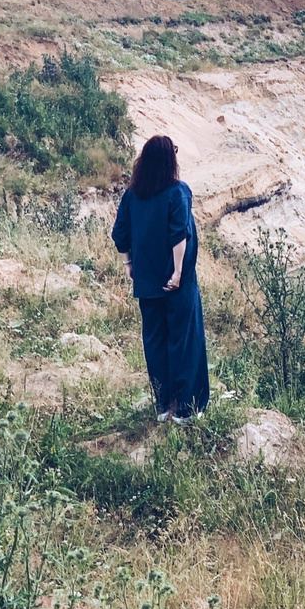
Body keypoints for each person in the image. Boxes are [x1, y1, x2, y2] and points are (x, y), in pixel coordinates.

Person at [111, 136, 209, 423]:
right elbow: (179, 234)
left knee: (155, 342)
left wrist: (129, 264)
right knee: (184, 340)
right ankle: (186, 409)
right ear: (170, 160)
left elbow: (120, 234)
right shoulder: (178, 192)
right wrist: (177, 273)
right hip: (177, 284)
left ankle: (164, 405)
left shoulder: (132, 195)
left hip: (147, 282)